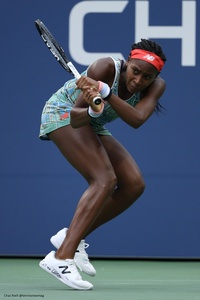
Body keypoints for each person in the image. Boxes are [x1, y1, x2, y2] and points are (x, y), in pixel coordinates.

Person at [39, 38, 167, 290]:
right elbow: (76, 119)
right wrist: (91, 111)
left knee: (133, 184)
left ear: (156, 78)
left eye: (147, 77)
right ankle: (61, 257)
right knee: (104, 179)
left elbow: (137, 119)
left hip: (92, 123)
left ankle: (71, 237)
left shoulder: (157, 86)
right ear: (127, 63)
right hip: (63, 113)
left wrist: (105, 95)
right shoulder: (105, 68)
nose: (139, 81)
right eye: (136, 71)